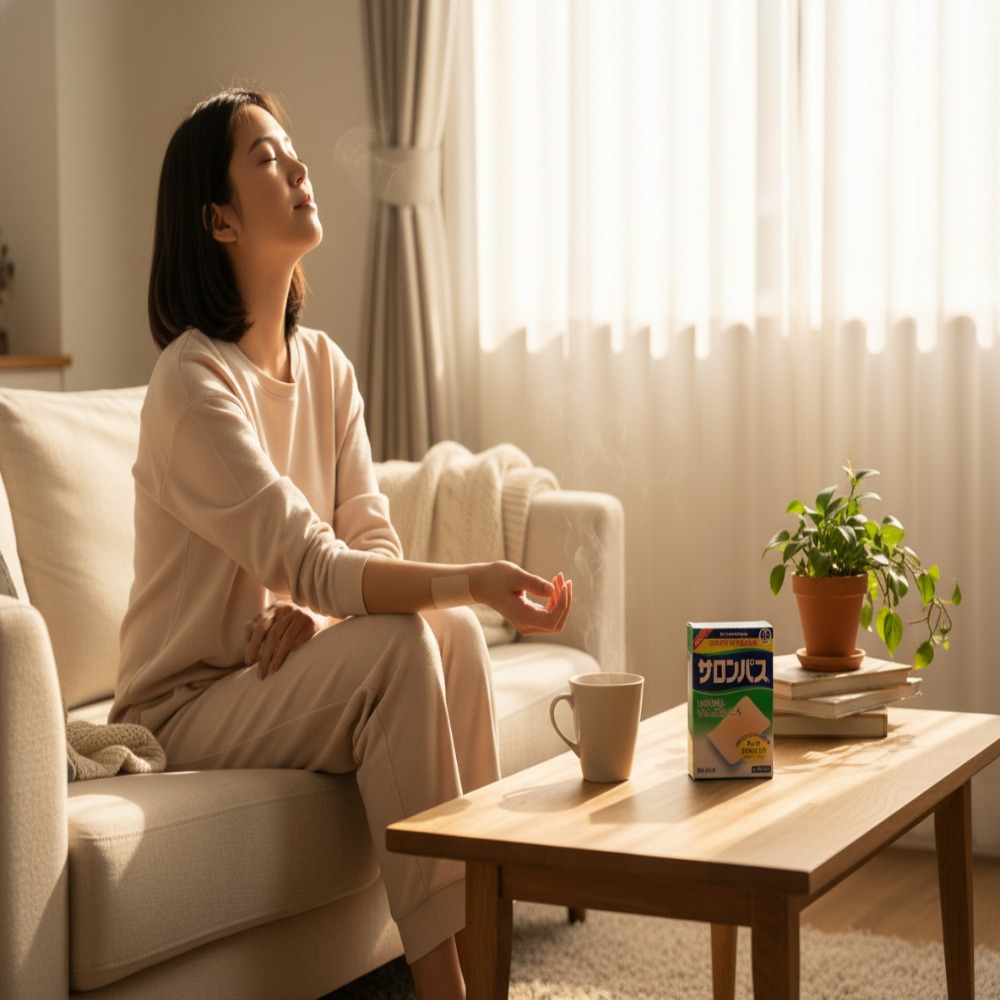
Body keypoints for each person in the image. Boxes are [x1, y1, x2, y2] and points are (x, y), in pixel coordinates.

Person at [110, 87, 573, 1000]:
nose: (298, 168)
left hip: (275, 675)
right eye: (267, 159)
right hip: (188, 704)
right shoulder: (192, 383)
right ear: (219, 220)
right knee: (411, 640)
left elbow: (366, 542)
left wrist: (323, 623)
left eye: (293, 151)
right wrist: (474, 573)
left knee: (455, 637)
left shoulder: (326, 367)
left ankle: (488, 967)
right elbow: (313, 559)